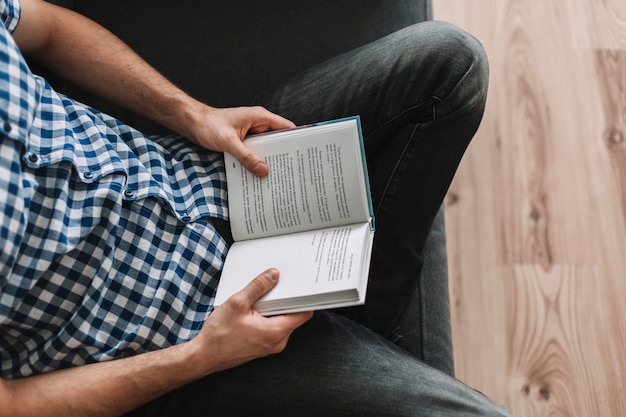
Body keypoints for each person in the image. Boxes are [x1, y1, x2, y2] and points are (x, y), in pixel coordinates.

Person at [0, 0, 510, 416]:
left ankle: (360, 309)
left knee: (452, 62)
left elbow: (45, 29)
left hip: (217, 172)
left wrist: (195, 115)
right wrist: (200, 358)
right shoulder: (197, 349)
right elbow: (13, 405)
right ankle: (353, 334)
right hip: (189, 336)